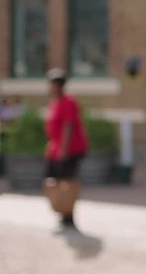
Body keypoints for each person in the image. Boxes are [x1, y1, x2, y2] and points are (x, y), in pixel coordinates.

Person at [44, 68, 88, 228]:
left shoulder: (68, 102)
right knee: (54, 180)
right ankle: (62, 212)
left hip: (70, 150)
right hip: (57, 149)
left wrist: (63, 149)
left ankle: (68, 216)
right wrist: (51, 145)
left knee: (66, 182)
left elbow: (68, 126)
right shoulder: (55, 102)